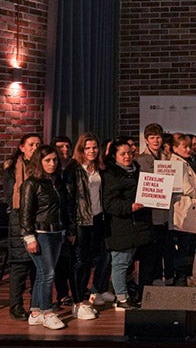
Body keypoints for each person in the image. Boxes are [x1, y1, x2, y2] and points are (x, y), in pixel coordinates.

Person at [20, 145, 68, 329]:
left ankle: (35, 312)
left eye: (54, 160)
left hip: (56, 233)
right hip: (40, 234)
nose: (52, 163)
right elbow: (25, 213)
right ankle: (47, 312)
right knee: (48, 274)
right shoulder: (31, 183)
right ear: (39, 162)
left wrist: (64, 230)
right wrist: (29, 237)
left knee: (42, 274)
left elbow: (60, 209)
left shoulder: (56, 182)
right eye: (47, 160)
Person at [62, 133, 108, 319]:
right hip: (80, 221)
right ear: (81, 149)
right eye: (87, 148)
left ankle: (82, 299)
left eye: (94, 147)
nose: (91, 151)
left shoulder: (98, 167)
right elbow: (69, 202)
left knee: (89, 261)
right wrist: (71, 229)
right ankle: (78, 302)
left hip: (96, 219)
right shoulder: (73, 169)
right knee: (79, 262)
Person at [102, 138, 151, 309]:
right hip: (120, 225)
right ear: (114, 156)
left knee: (128, 261)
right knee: (120, 262)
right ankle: (121, 299)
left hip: (137, 225)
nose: (127, 157)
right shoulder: (111, 175)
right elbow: (108, 203)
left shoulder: (136, 171)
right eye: (122, 154)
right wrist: (128, 207)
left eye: (129, 153)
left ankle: (123, 294)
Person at [3, 133, 42, 321]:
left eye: (38, 145)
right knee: (20, 266)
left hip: (40, 219)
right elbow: (11, 196)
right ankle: (16, 306)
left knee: (38, 266)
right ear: (22, 147)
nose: (35, 148)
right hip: (19, 219)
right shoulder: (12, 168)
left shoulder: (42, 166)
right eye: (31, 144)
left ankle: (36, 304)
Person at [168, 133, 196, 286]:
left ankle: (184, 278)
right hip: (183, 211)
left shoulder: (188, 161)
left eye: (188, 146)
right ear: (174, 148)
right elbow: (187, 188)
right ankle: (180, 280)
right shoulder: (177, 163)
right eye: (184, 147)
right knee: (184, 248)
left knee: (189, 248)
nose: (187, 149)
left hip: (190, 209)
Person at [135, 123, 170, 287]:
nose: (156, 141)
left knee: (161, 248)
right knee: (149, 251)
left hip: (165, 212)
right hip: (149, 212)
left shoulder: (167, 157)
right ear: (146, 140)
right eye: (152, 138)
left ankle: (157, 277)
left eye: (158, 137)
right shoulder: (141, 160)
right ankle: (145, 284)